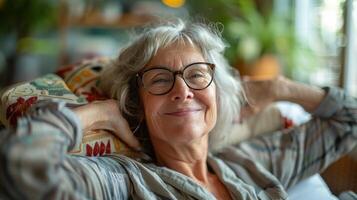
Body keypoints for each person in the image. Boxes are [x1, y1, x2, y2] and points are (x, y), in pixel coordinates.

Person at [0, 19, 356, 200]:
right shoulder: (128, 181)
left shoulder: (249, 164)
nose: (182, 90)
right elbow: (22, 164)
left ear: (218, 92)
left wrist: (279, 87)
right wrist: (100, 114)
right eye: (159, 80)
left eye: (197, 75)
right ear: (137, 105)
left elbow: (350, 120)